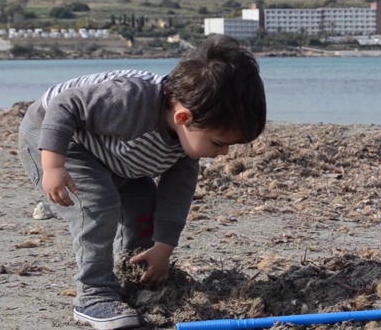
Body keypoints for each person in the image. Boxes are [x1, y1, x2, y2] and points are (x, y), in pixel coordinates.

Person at [17, 34, 267, 329]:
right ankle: (94, 295)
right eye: (218, 143)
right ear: (184, 118)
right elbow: (64, 106)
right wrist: (53, 165)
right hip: (55, 138)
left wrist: (163, 248)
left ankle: (133, 274)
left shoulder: (186, 147)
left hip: (113, 154)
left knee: (143, 203)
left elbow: (174, 199)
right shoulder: (130, 100)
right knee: (98, 205)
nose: (223, 153)